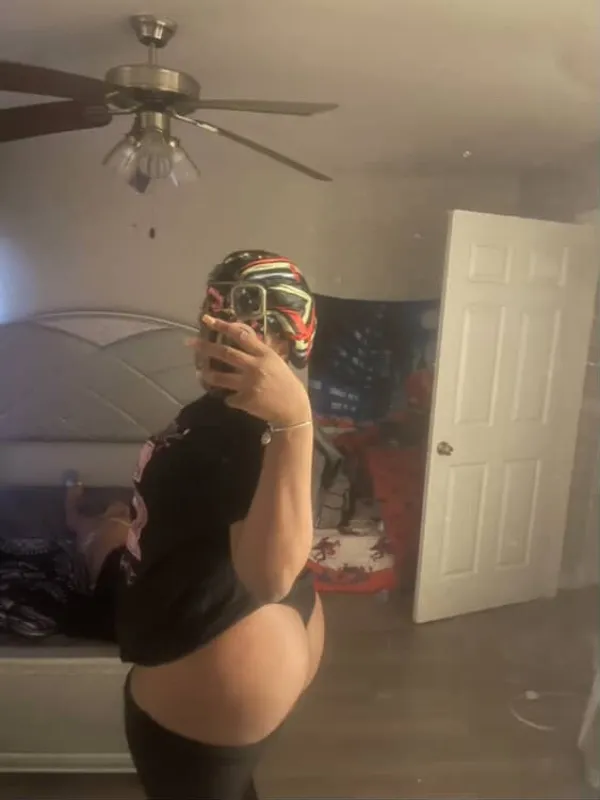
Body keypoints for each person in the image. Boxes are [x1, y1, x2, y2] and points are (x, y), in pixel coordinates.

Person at [116, 250, 324, 800]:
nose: (223, 332)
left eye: (250, 321)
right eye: (215, 314)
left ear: (288, 340)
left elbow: (270, 578)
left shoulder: (264, 428)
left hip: (218, 650)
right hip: (239, 644)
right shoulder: (235, 417)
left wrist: (296, 420)